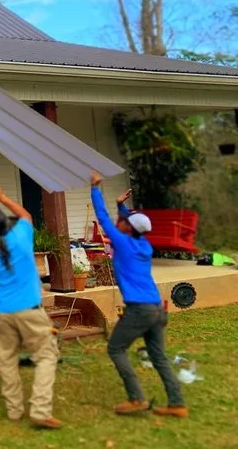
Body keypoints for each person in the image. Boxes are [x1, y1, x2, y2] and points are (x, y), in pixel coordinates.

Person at [90, 171, 187, 418]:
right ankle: (177, 404)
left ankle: (136, 399)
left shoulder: (122, 242)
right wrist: (121, 205)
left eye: (124, 219)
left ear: (128, 228)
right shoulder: (143, 244)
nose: (120, 220)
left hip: (140, 309)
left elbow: (102, 218)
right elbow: (128, 222)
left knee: (115, 349)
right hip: (156, 308)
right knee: (159, 356)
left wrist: (95, 188)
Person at [0, 180, 62, 430]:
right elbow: (26, 215)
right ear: (8, 224)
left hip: (3, 314)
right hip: (31, 312)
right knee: (46, 356)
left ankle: (14, 411)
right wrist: (0, 195)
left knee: (7, 360)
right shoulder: (22, 236)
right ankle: (40, 411)